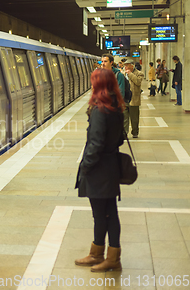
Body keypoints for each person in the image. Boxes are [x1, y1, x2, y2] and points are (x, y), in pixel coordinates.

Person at [75, 68, 125, 273]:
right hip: (111, 166)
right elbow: (120, 138)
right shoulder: (116, 107)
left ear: (98, 86)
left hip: (98, 170)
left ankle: (101, 255)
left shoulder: (99, 110)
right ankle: (106, 254)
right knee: (110, 213)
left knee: (100, 214)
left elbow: (95, 143)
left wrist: (86, 167)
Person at [102, 54, 129, 133]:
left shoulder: (118, 75)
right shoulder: (100, 74)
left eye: (105, 61)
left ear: (111, 62)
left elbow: (121, 92)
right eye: (102, 61)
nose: (103, 63)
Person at [125, 59, 143, 138]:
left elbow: (138, 82)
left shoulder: (139, 73)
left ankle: (135, 132)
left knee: (134, 118)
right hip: (124, 98)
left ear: (132, 66)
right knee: (124, 118)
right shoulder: (121, 73)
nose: (126, 67)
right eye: (125, 65)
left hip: (134, 99)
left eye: (127, 65)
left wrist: (130, 74)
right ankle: (124, 133)